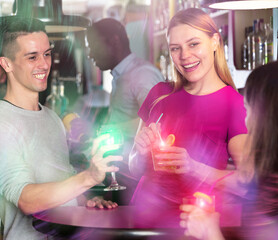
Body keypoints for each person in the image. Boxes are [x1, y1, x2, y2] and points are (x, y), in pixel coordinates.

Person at [0, 16, 122, 239]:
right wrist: (89, 177)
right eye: (32, 57)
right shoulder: (0, 125)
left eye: (46, 54)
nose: (44, 64)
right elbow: (26, 200)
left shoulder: (52, 118)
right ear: (6, 64)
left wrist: (85, 201)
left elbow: (60, 179)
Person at [128, 8, 250, 224]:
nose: (185, 56)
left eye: (194, 44)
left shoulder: (234, 104)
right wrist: (139, 152)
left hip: (193, 225)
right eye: (176, 48)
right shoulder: (159, 93)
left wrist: (195, 168)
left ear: (214, 42)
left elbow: (246, 183)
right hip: (144, 219)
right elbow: (134, 166)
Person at [180, 61, 278, 240]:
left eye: (248, 110)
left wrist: (210, 232)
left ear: (266, 116)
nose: (246, 120)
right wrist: (192, 167)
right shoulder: (268, 170)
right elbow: (243, 180)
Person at [85, 18, 164, 205]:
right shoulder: (121, 75)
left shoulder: (142, 74)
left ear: (113, 41)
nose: (90, 54)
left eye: (93, 45)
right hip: (121, 172)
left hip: (136, 176)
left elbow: (155, 123)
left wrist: (111, 131)